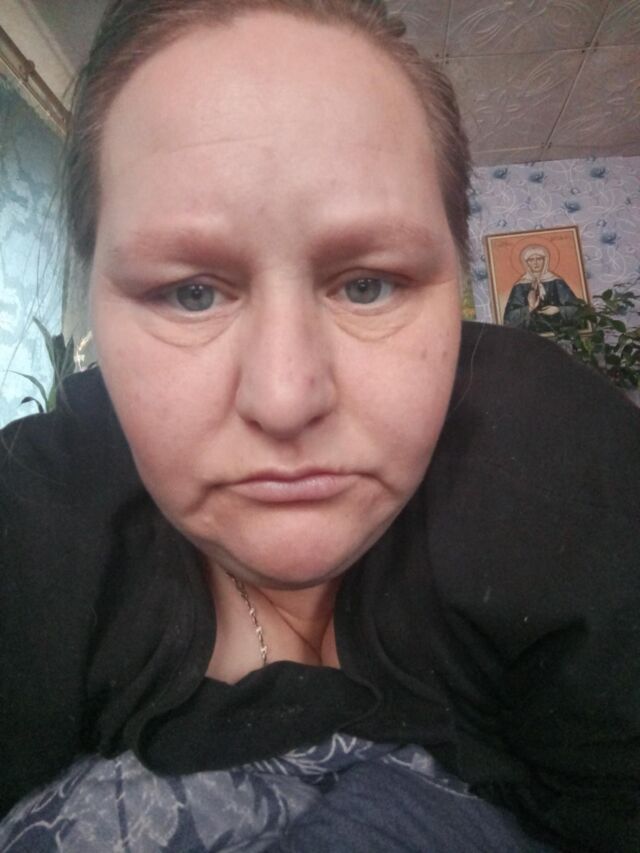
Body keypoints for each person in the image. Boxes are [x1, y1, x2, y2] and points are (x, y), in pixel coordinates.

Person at [1, 1, 638, 851]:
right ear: (92, 311)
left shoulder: (558, 457)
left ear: (457, 284)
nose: (285, 396)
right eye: (192, 292)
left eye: (367, 284)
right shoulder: (35, 519)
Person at [503, 244, 582, 332]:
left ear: (545, 260)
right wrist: (529, 308)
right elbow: (509, 319)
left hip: (558, 330)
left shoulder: (556, 281)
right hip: (530, 334)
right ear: (526, 263)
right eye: (531, 260)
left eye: (539, 259)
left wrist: (558, 310)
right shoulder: (520, 286)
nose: (535, 263)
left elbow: (577, 310)